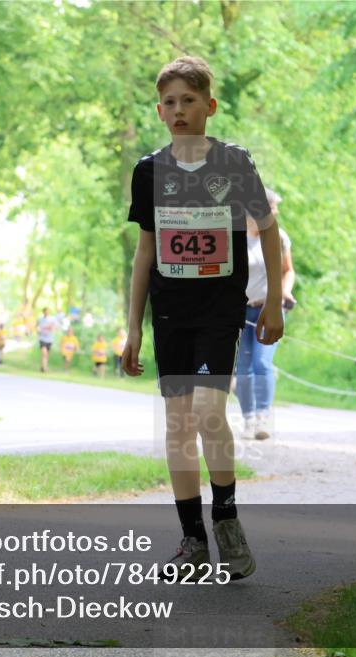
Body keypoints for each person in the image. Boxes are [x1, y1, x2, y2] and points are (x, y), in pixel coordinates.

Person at [122, 56, 282, 581]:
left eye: (188, 100)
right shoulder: (150, 171)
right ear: (159, 111)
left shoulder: (234, 163)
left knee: (211, 413)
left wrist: (273, 302)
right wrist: (133, 328)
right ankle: (192, 541)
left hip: (219, 310)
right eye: (169, 102)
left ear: (209, 106)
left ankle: (227, 523)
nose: (178, 110)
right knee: (177, 425)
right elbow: (146, 251)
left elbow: (268, 229)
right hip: (170, 313)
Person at [235, 187, 295, 440]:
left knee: (262, 362)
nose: (276, 212)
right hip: (239, 311)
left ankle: (263, 417)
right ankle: (248, 419)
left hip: (269, 308)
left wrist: (285, 292)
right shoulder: (234, 237)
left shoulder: (278, 237)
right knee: (243, 367)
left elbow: (287, 270)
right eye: (272, 207)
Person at [37, 307, 58, 372]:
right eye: (45, 311)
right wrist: (38, 331)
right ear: (43, 312)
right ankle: (44, 368)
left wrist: (52, 328)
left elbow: (56, 326)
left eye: (47, 311)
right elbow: (37, 326)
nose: (46, 313)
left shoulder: (52, 319)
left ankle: (43, 366)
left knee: (47, 354)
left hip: (49, 339)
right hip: (42, 338)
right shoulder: (40, 319)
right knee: (44, 353)